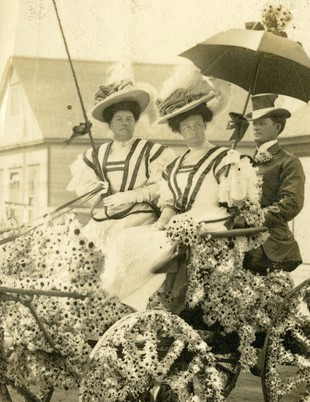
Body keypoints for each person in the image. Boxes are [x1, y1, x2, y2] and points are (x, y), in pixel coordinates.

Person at [101, 69, 259, 311]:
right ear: (179, 130)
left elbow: (237, 202)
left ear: (205, 125)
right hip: (181, 224)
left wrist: (235, 169)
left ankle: (160, 304)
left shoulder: (221, 158)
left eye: (197, 125)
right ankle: (123, 303)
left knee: (165, 247)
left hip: (212, 222)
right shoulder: (174, 165)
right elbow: (170, 204)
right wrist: (161, 222)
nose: (193, 132)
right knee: (128, 238)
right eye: (187, 127)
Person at [67, 79, 176, 253]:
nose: (124, 123)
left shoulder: (151, 151)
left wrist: (131, 196)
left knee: (116, 242)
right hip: (109, 216)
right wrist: (98, 191)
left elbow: (162, 186)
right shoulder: (98, 154)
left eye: (129, 119)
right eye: (118, 119)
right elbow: (86, 193)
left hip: (140, 215)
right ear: (110, 124)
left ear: (135, 122)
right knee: (83, 244)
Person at [242, 93, 305, 274]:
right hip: (241, 240)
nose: (256, 127)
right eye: (254, 123)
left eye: (262, 123)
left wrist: (253, 219)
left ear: (277, 127)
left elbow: (291, 203)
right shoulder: (245, 162)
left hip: (272, 245)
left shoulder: (289, 161)